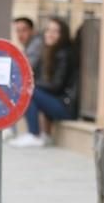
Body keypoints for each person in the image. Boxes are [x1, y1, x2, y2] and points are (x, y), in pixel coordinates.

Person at [8, 16, 76, 148]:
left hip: (66, 107)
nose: (50, 34)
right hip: (57, 103)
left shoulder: (65, 54)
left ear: (63, 34)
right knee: (27, 89)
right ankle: (38, 134)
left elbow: (57, 86)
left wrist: (32, 84)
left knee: (28, 90)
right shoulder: (48, 51)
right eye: (48, 30)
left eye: (55, 31)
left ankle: (34, 134)